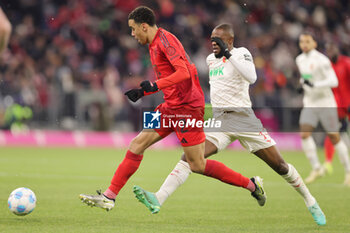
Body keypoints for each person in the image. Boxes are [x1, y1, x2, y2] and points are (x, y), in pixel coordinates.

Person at [132, 23, 326, 226]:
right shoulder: (210, 60)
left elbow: (252, 77)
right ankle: (159, 197)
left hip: (243, 119)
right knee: (190, 158)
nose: (213, 43)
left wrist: (229, 54)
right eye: (212, 39)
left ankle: (310, 201)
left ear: (230, 41)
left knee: (280, 166)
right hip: (220, 120)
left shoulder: (242, 53)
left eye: (218, 40)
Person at [79, 6, 266, 213]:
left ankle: (252, 185)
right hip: (170, 106)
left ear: (143, 26)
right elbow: (169, 78)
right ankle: (109, 197)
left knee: (197, 165)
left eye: (133, 29)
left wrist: (155, 86)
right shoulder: (153, 44)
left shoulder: (165, 40)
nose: (132, 34)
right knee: (136, 144)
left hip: (188, 108)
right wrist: (144, 92)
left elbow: (184, 72)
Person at [295, 32, 350, 185]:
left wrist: (315, 85)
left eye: (307, 41)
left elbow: (334, 81)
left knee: (334, 137)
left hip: (326, 103)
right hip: (310, 103)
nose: (304, 44)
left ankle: (348, 171)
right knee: (304, 134)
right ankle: (317, 168)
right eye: (301, 42)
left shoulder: (322, 60)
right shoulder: (299, 59)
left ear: (314, 43)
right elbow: (305, 77)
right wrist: (302, 85)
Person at [322, 43, 350, 179]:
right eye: (328, 50)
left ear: (337, 50)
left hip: (348, 103)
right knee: (332, 132)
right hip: (335, 106)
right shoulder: (326, 66)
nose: (330, 52)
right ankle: (328, 162)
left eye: (332, 49)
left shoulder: (346, 63)